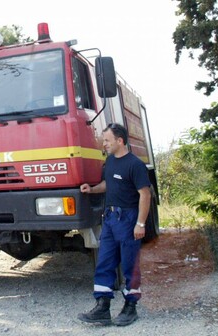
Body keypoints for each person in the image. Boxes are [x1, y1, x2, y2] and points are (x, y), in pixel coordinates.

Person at [77, 123, 151, 327]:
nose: (104, 144)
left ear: (120, 141)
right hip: (109, 218)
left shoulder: (135, 165)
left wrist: (140, 224)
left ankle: (130, 307)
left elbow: (145, 194)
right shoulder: (109, 162)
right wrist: (91, 190)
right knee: (105, 262)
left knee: (129, 264)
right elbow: (108, 184)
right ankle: (102, 307)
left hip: (128, 219)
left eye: (107, 140)